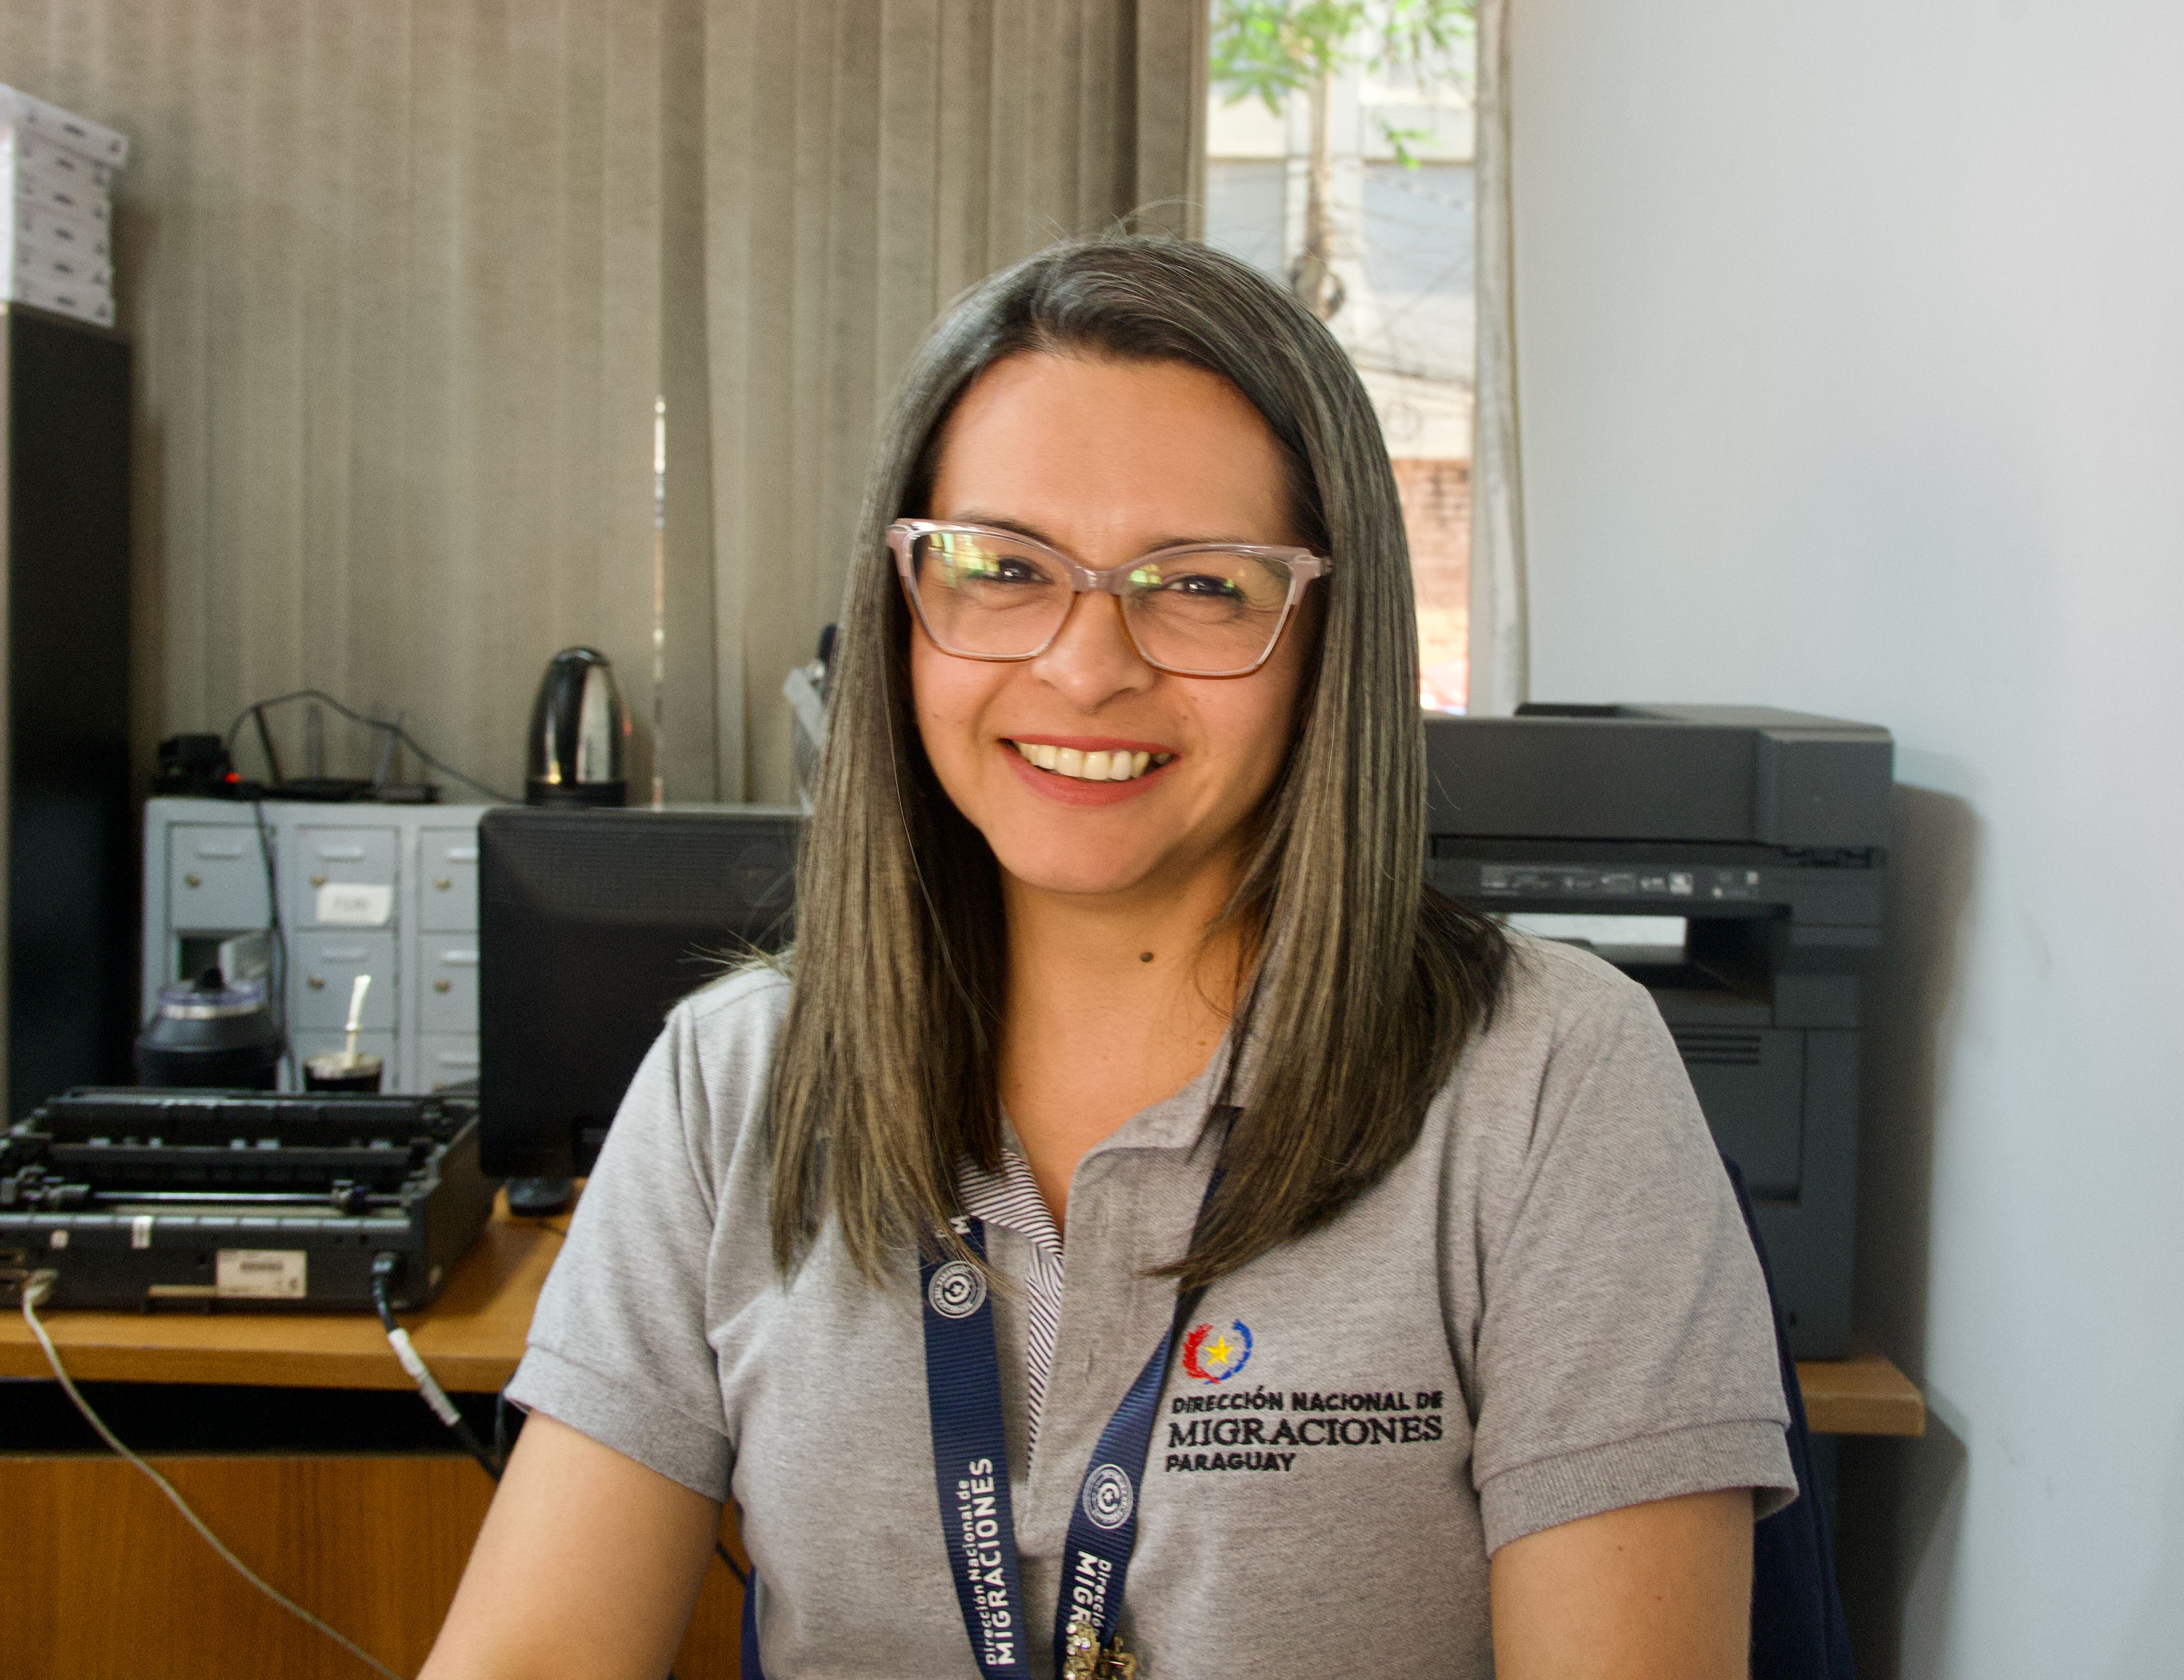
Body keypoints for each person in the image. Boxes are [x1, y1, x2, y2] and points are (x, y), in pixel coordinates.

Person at [422, 236, 1796, 1680]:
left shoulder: (1548, 1081)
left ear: (1329, 637)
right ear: (902, 608)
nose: (1087, 666)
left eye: (1200, 587)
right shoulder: (733, 1082)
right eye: (1001, 568)